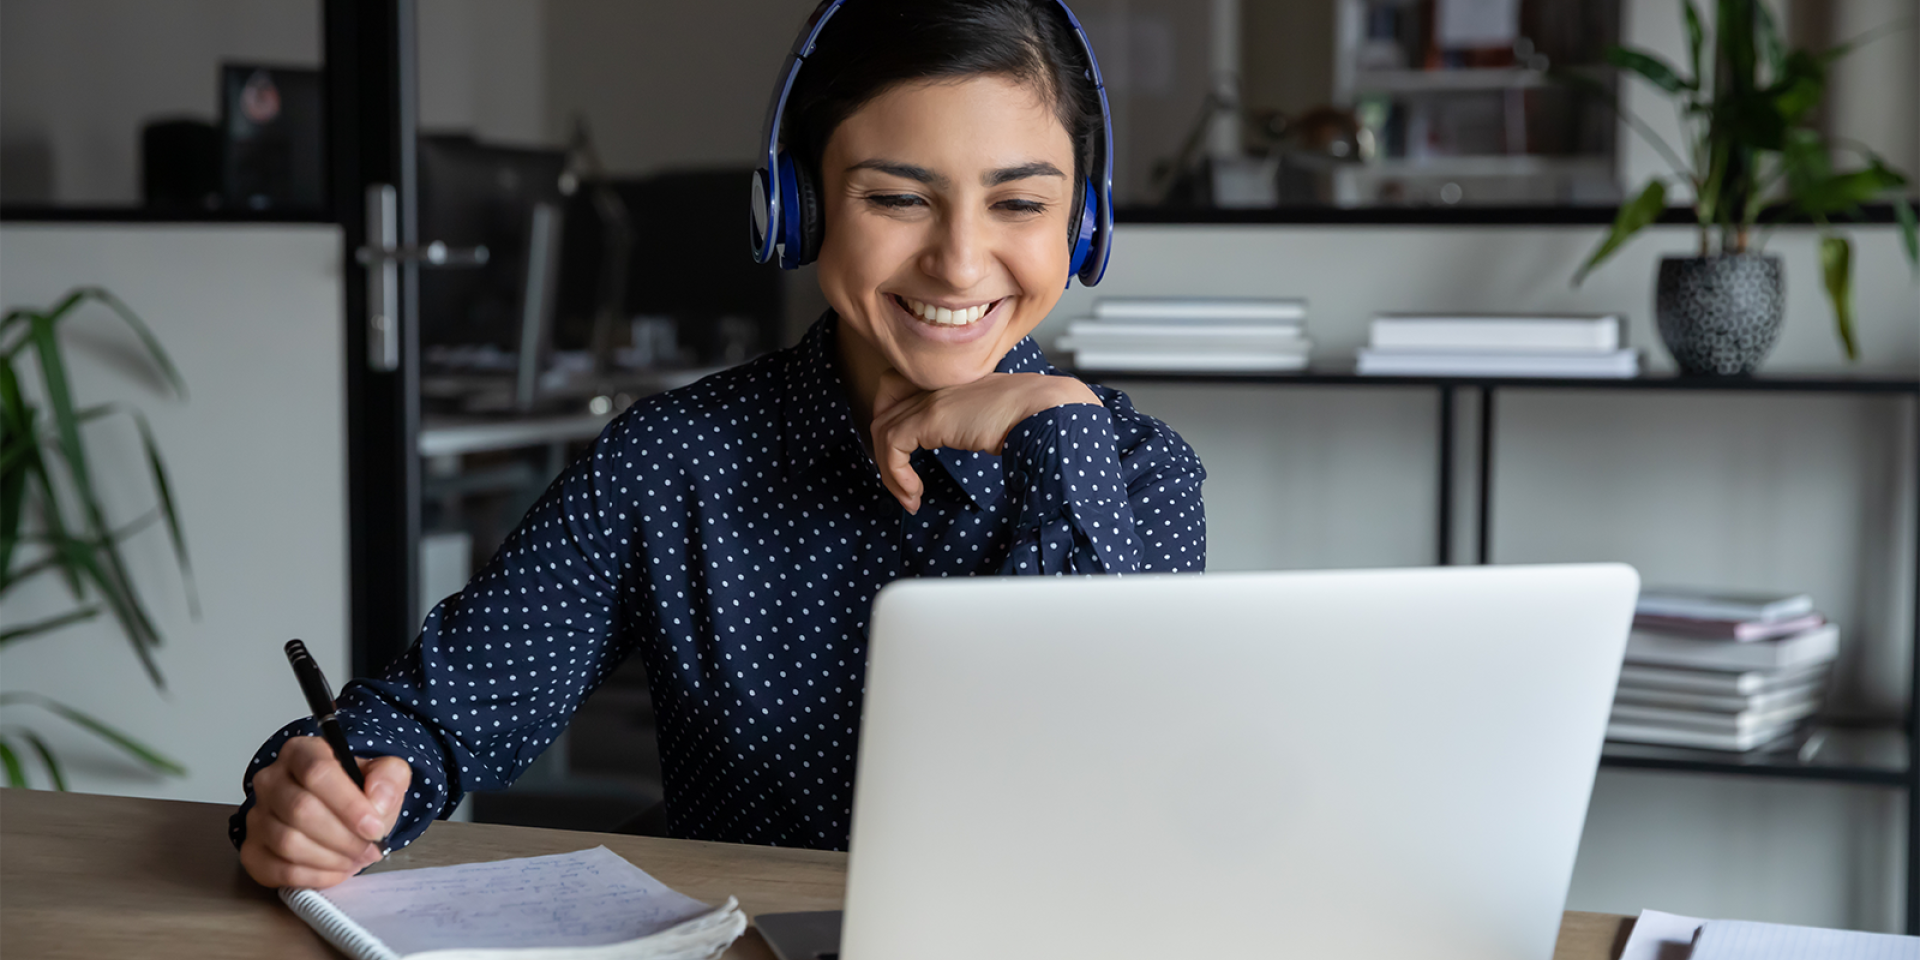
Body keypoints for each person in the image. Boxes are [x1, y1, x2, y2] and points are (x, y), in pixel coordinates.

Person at [233, 0, 1206, 890]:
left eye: (1019, 203)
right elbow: (438, 715)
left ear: (1084, 223)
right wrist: (320, 793)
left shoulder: (1129, 470)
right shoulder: (675, 458)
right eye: (897, 198)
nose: (957, 260)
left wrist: (1050, 428)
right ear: (799, 206)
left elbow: (1111, 792)